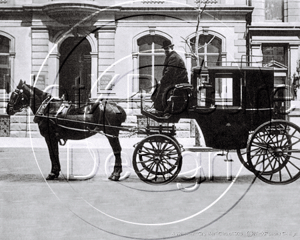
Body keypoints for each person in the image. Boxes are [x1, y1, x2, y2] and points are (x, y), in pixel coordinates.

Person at [150, 39, 189, 112]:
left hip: (178, 82)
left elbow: (169, 73)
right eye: (165, 49)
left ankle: (160, 110)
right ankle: (159, 109)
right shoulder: (171, 56)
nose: (166, 50)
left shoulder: (173, 57)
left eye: (167, 48)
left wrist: (161, 81)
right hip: (175, 81)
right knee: (159, 89)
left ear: (171, 48)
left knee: (162, 89)